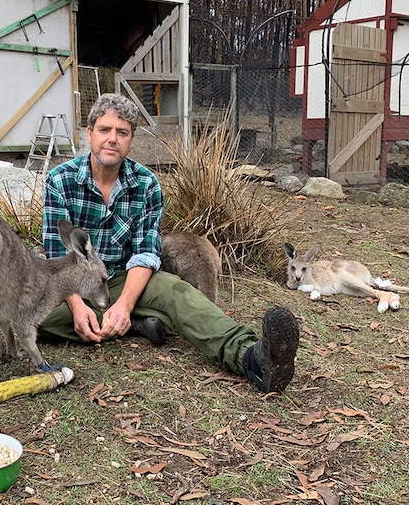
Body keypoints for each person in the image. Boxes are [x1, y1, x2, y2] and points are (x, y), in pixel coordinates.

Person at [38, 93, 299, 393]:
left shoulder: (146, 183)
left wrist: (124, 304)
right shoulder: (60, 181)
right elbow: (57, 254)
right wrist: (75, 306)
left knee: (178, 293)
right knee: (36, 315)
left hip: (128, 279)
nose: (112, 139)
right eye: (105, 130)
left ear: (131, 139)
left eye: (122, 132)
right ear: (90, 133)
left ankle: (253, 357)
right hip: (75, 284)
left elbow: (146, 252)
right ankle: (137, 326)